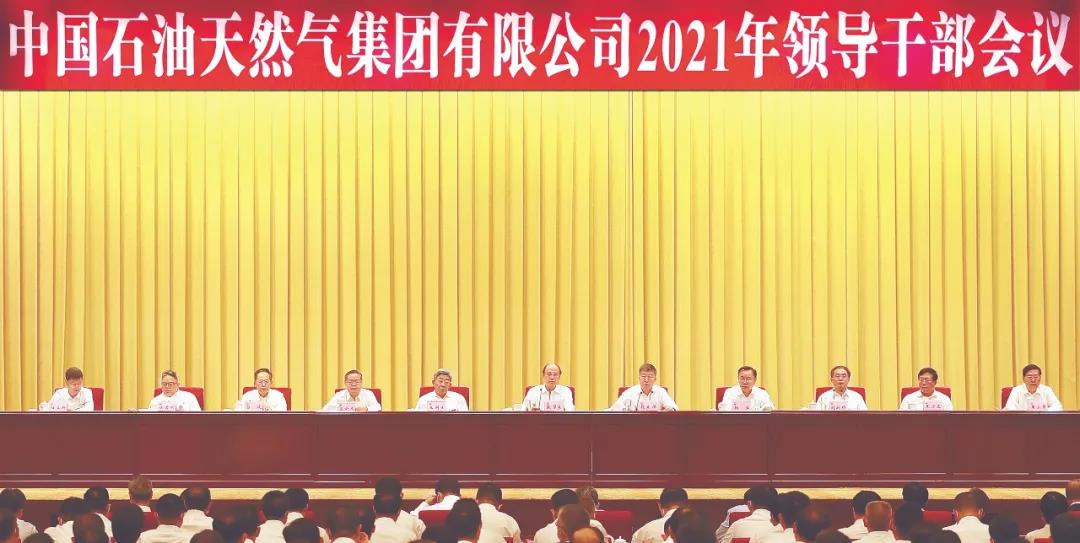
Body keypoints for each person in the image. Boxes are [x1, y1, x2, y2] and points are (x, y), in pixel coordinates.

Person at [609, 363, 678, 412]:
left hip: (656, 425)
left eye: (650, 376)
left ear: (655, 379)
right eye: (643, 376)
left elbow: (674, 408)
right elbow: (614, 409)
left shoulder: (661, 392)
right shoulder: (629, 392)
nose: (646, 380)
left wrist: (668, 410)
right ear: (639, 378)